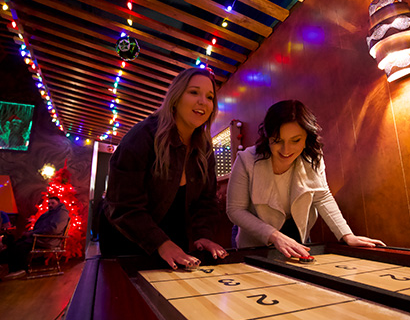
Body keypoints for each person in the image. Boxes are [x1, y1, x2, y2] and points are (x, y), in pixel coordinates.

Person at [101, 67, 228, 270]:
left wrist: (203, 235)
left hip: (174, 244)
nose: (203, 101)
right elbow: (123, 205)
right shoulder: (142, 136)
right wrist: (160, 243)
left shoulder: (204, 148)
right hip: (127, 242)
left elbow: (207, 201)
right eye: (194, 92)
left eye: (210, 97)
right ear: (176, 98)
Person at [227, 100, 385, 259]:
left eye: (295, 140)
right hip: (256, 243)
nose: (286, 150)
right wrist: (274, 235)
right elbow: (235, 210)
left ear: (307, 138)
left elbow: (322, 197)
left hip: (299, 237)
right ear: (267, 136)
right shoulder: (246, 160)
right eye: (277, 140)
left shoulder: (312, 158)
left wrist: (347, 235)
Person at [0, 196, 70, 279]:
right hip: (40, 237)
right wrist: (30, 232)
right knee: (16, 243)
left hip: (48, 240)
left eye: (53, 203)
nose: (50, 205)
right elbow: (39, 227)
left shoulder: (61, 214)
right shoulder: (49, 214)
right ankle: (12, 267)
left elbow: (54, 229)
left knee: (21, 246)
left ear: (58, 203)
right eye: (49, 203)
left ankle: (20, 268)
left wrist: (33, 233)